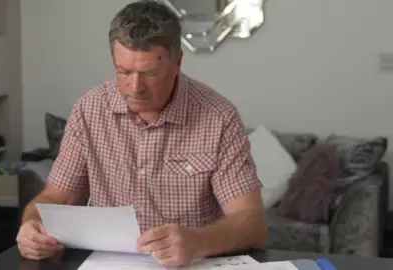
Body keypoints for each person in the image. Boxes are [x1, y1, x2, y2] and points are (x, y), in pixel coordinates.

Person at [16, 0, 267, 266]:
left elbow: (252, 222)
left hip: (190, 264)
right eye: (123, 71)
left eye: (150, 73)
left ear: (178, 62)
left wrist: (197, 242)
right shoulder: (88, 110)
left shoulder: (219, 117)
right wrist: (32, 225)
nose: (135, 87)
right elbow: (55, 197)